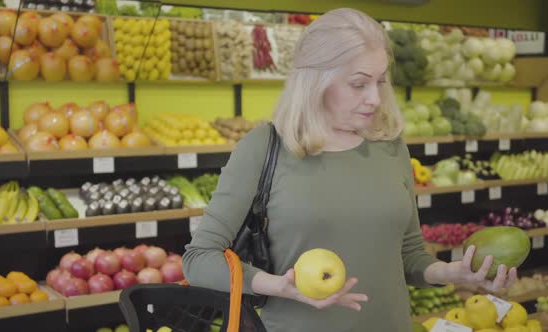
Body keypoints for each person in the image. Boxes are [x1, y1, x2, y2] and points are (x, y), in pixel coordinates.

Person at [182, 8, 517, 332]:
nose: (374, 98)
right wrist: (278, 285)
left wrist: (452, 273)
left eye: (381, 82)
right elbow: (199, 259)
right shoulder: (263, 147)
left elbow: (409, 254)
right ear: (316, 83)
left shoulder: (389, 146)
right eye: (359, 84)